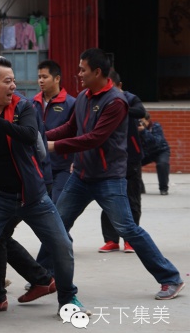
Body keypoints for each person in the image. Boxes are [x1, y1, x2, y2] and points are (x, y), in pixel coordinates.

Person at [40, 48, 184, 300]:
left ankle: (170, 277)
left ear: (97, 72)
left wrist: (53, 146)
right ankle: (41, 277)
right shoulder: (84, 96)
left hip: (109, 178)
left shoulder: (116, 102)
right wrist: (40, 136)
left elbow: (95, 139)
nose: (79, 74)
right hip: (81, 175)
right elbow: (70, 127)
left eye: (83, 69)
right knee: (57, 224)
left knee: (127, 228)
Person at [0, 55, 82, 327]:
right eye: (7, 81)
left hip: (33, 195)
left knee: (61, 246)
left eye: (13, 80)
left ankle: (69, 299)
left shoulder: (24, 107)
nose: (13, 86)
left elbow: (27, 135)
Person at [99, 70, 145, 253]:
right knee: (108, 199)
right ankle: (111, 239)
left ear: (119, 86)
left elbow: (141, 111)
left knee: (132, 199)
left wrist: (120, 107)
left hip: (131, 158)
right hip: (109, 159)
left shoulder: (129, 99)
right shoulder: (100, 101)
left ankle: (130, 240)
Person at [32, 60, 76, 204]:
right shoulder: (32, 103)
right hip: (39, 166)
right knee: (41, 208)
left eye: (45, 77)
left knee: (59, 208)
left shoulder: (71, 103)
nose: (40, 81)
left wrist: (76, 159)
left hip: (63, 166)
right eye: (39, 77)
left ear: (57, 78)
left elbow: (78, 133)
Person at [139, 112, 170, 195]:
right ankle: (139, 188)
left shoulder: (156, 127)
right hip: (146, 152)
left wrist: (143, 131)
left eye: (142, 121)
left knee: (162, 164)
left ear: (148, 120)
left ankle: (163, 188)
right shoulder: (136, 128)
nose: (140, 123)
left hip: (160, 151)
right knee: (132, 163)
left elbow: (155, 142)